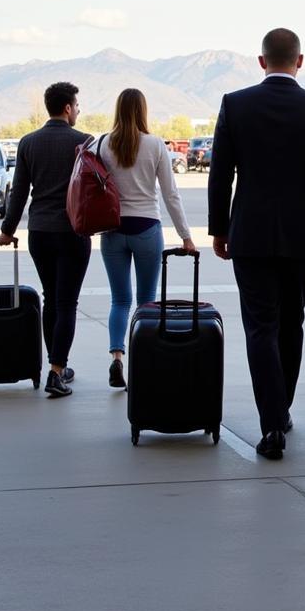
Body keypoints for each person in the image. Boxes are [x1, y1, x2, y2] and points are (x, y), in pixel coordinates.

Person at [208, 28, 305, 460]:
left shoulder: (235, 105)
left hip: (249, 235)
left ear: (261, 61)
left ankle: (272, 425)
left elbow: (220, 172)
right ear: (300, 61)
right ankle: (282, 408)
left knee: (260, 328)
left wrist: (219, 228)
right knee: (292, 325)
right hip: (297, 235)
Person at [98, 89, 197, 390]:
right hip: (146, 229)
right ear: (143, 110)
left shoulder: (102, 143)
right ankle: (144, 362)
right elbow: (170, 195)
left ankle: (117, 358)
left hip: (112, 230)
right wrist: (186, 236)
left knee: (119, 299)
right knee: (146, 302)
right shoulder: (155, 145)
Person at [0, 82, 91, 398]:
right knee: (67, 303)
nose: (78, 110)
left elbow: (19, 194)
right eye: (77, 105)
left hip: (39, 232)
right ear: (67, 108)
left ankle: (58, 367)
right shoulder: (84, 142)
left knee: (51, 298)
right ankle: (56, 370)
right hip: (73, 232)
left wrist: (8, 230)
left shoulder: (28, 142)